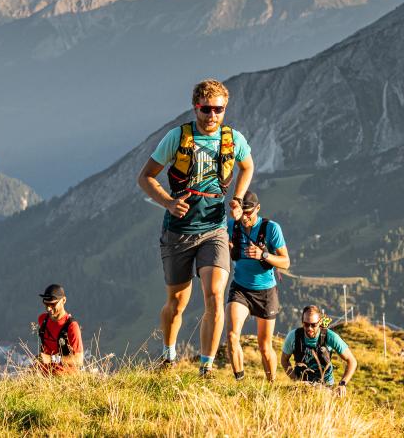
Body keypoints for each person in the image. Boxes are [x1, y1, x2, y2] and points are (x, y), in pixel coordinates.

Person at [137, 79, 255, 376]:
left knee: (215, 294)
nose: (212, 115)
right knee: (177, 303)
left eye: (219, 109)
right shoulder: (176, 138)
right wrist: (168, 202)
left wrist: (238, 200)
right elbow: (146, 177)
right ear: (195, 107)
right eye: (206, 109)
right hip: (179, 230)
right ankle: (168, 353)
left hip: (215, 229)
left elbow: (247, 166)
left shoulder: (233, 139)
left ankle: (206, 367)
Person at [225, 191, 290, 381]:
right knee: (231, 336)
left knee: (264, 346)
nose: (245, 217)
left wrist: (264, 255)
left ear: (258, 209)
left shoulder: (271, 228)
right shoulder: (232, 226)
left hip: (266, 292)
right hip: (241, 288)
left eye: (249, 213)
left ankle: (271, 385)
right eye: (242, 212)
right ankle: (240, 381)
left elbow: (286, 262)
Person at [280, 305, 358, 396]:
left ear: (320, 322)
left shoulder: (330, 336)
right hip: (302, 386)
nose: (309, 328)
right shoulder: (293, 336)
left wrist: (342, 384)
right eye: (306, 324)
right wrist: (296, 380)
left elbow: (352, 361)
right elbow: (284, 360)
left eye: (313, 325)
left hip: (326, 387)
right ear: (302, 322)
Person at [35, 284, 84, 374]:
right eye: (46, 304)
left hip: (64, 376)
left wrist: (51, 359)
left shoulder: (72, 326)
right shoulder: (42, 319)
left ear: (64, 300)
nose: (49, 308)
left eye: (53, 304)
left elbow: (79, 359)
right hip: (44, 373)